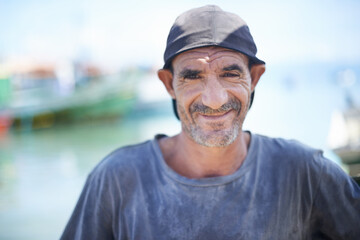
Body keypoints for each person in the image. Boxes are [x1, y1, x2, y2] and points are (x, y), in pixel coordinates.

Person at [61, 5, 360, 240]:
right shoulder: (117, 179)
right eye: (193, 76)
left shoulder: (305, 172)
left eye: (231, 74)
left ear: (254, 79)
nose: (215, 99)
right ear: (169, 83)